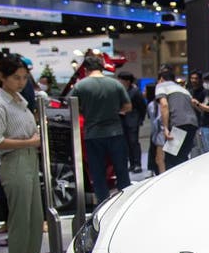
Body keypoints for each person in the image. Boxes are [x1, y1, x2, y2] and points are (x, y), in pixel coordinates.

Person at [0, 57, 51, 253]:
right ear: (2, 77)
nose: (21, 82)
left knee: (34, 214)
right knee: (20, 216)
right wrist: (29, 142)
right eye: (16, 78)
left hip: (30, 160)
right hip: (15, 162)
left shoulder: (18, 99)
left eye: (23, 78)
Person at [71, 56, 132, 205]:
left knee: (97, 173)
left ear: (85, 69)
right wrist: (115, 111)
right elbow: (128, 107)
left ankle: (103, 205)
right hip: (115, 132)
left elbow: (72, 108)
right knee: (121, 170)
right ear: (102, 67)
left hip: (92, 134)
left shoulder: (80, 86)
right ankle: (125, 202)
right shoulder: (115, 84)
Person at [156, 70, 200, 169]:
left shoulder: (161, 86)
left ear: (161, 79)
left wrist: (166, 128)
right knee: (182, 157)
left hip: (178, 123)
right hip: (192, 123)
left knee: (172, 159)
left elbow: (164, 105)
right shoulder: (183, 89)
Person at [117, 72, 147, 173]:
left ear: (127, 81)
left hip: (133, 120)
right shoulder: (122, 91)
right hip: (123, 120)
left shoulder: (135, 91)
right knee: (127, 143)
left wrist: (140, 119)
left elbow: (142, 106)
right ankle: (132, 163)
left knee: (133, 142)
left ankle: (137, 163)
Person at [187, 70, 209, 154]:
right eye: (192, 78)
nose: (193, 81)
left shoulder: (206, 92)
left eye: (196, 78)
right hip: (193, 126)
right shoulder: (189, 92)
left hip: (206, 126)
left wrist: (197, 104)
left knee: (207, 151)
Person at [145, 83, 166, 175]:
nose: (144, 92)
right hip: (162, 133)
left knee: (159, 159)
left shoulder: (152, 105)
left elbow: (154, 122)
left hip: (159, 134)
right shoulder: (161, 103)